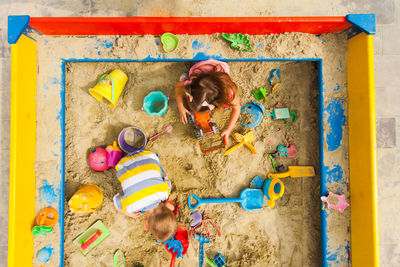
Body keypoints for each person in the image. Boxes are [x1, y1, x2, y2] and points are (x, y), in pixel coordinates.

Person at [113, 150, 177, 242]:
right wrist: (129, 214)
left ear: (168, 207)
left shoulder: (165, 192)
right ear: (146, 223)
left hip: (147, 154)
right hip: (122, 163)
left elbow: (166, 180)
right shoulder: (131, 207)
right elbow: (116, 203)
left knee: (162, 176)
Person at [175, 59, 241, 141]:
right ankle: (184, 80)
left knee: (226, 105)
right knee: (184, 88)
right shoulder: (194, 83)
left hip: (215, 70)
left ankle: (184, 80)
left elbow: (237, 108)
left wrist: (228, 129)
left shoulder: (230, 94)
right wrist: (181, 107)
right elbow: (178, 87)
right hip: (200, 70)